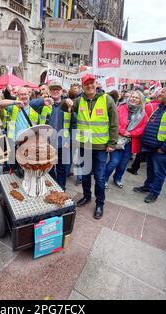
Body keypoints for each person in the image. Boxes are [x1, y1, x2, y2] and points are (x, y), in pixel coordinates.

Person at [61, 74, 119, 219]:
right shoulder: (79, 100)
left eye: (91, 83)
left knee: (99, 178)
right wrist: (66, 100)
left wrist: (112, 143)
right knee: (85, 175)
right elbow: (64, 108)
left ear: (96, 83)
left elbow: (114, 123)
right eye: (86, 83)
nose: (89, 86)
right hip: (84, 144)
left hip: (100, 147)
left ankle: (100, 203)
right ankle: (87, 197)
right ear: (82, 85)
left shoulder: (107, 99)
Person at [29, 80, 75, 191]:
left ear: (61, 91)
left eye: (57, 89)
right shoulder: (45, 104)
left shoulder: (67, 104)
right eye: (53, 89)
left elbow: (74, 124)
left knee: (62, 169)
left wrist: (70, 140)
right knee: (46, 168)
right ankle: (48, 188)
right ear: (49, 91)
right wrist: (43, 100)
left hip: (62, 143)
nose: (55, 91)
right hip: (46, 143)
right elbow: (31, 104)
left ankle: (61, 189)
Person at [0, 87, 52, 176]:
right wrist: (15, 102)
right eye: (21, 94)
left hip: (29, 144)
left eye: (25, 94)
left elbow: (44, 121)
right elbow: (0, 103)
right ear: (17, 95)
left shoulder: (35, 109)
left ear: (29, 95)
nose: (23, 96)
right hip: (14, 143)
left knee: (28, 168)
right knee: (14, 168)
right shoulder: (13, 107)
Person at [104, 91, 148, 188]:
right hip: (117, 139)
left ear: (140, 100)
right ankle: (104, 179)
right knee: (114, 162)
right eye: (132, 96)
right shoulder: (120, 107)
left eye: (136, 97)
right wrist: (123, 131)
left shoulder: (143, 113)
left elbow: (143, 128)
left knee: (123, 163)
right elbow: (112, 122)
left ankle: (117, 178)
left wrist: (131, 133)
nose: (133, 99)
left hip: (130, 142)